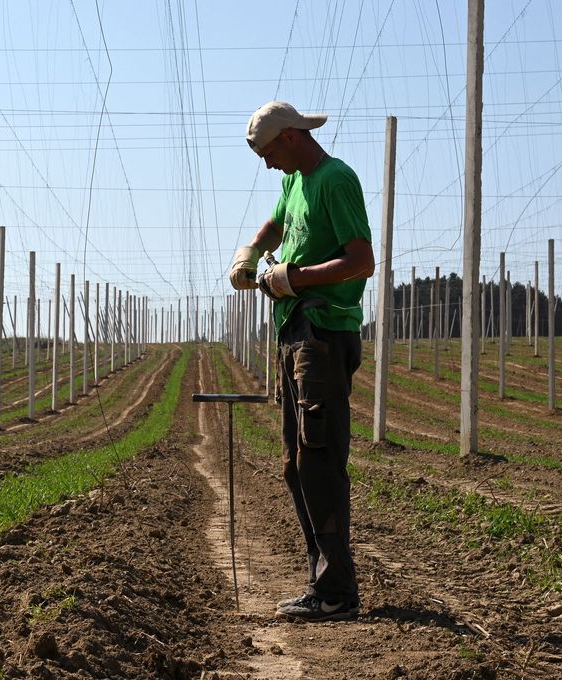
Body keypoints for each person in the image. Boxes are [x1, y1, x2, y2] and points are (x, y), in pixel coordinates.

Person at [228, 101, 374, 621]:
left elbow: (362, 261)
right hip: (294, 333)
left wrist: (295, 277)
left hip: (323, 332)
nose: (268, 165)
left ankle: (336, 592)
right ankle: (322, 585)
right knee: (295, 464)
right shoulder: (293, 183)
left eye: (269, 153)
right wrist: (249, 253)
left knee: (318, 458)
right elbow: (275, 226)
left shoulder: (336, 180)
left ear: (290, 137)